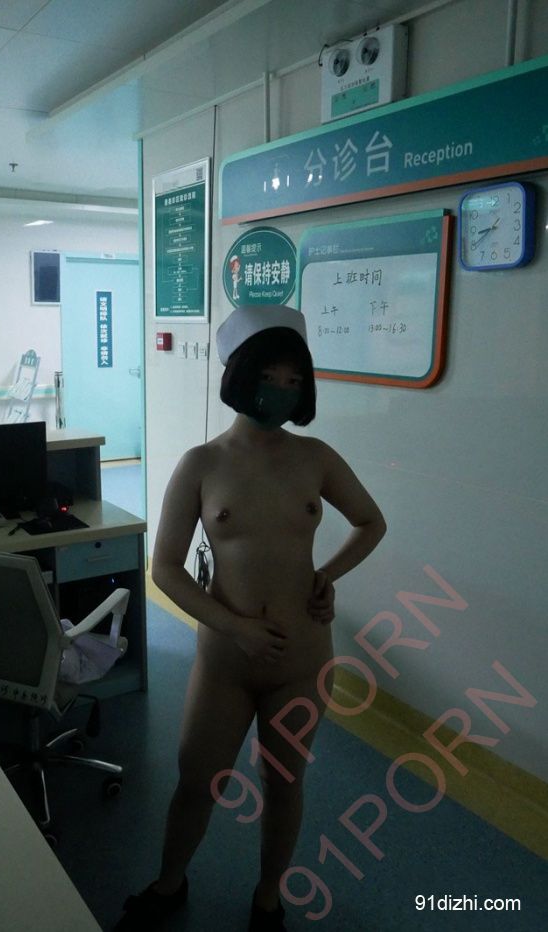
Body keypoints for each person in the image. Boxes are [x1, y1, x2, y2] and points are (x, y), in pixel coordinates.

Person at [114, 305, 386, 931]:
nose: (282, 391)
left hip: (302, 657)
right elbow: (165, 569)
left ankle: (268, 899)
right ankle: (169, 883)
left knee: (285, 783)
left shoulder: (316, 457)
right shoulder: (201, 463)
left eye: (295, 380)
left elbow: (371, 522)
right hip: (225, 660)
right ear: (240, 376)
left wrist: (327, 576)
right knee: (196, 780)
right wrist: (237, 627)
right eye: (270, 377)